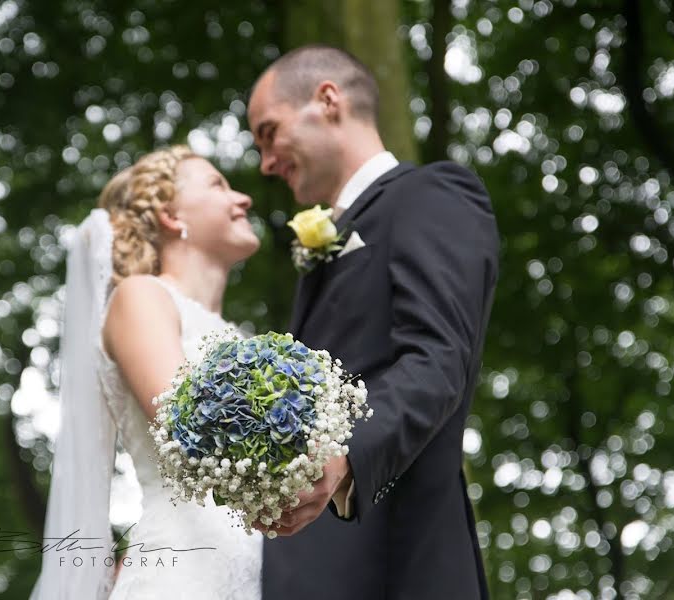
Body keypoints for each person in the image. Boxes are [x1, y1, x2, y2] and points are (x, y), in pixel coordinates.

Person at [247, 45, 499, 599]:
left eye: (268, 132)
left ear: (328, 100)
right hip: (313, 569)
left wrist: (341, 454)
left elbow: (437, 357)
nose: (265, 162)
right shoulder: (324, 243)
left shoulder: (430, 194)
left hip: (398, 561)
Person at [30, 146, 263, 599]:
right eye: (218, 184)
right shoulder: (140, 297)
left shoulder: (239, 336)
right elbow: (188, 424)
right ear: (172, 217)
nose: (244, 198)